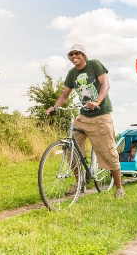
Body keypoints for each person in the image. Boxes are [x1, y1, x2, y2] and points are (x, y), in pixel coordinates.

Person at [46, 44, 125, 198]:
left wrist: (97, 101)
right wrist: (54, 107)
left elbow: (105, 84)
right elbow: (64, 95)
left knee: (109, 152)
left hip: (100, 115)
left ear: (84, 55)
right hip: (83, 117)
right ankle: (79, 181)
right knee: (70, 149)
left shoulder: (94, 64)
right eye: (71, 54)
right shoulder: (72, 73)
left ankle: (119, 188)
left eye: (77, 53)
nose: (74, 56)